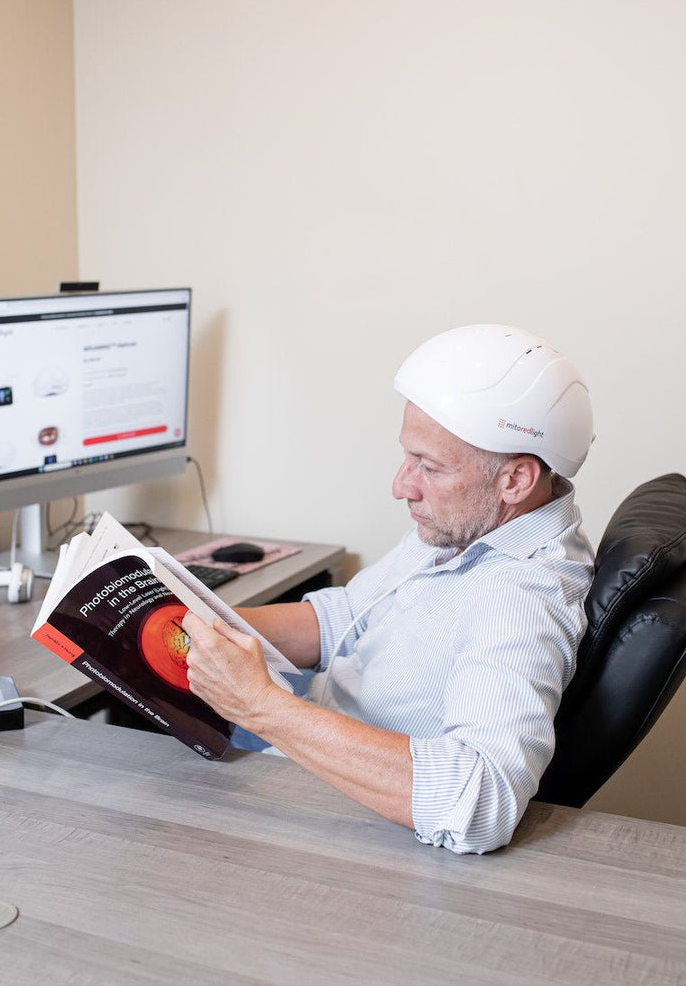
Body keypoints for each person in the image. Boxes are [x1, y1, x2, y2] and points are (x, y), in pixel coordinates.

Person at [184, 324, 595, 854]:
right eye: (409, 458)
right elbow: (346, 617)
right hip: (302, 728)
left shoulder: (521, 598)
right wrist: (189, 617)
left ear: (514, 480)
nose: (402, 486)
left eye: (428, 467)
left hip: (332, 796)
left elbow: (480, 802)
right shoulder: (470, 526)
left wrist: (259, 706)